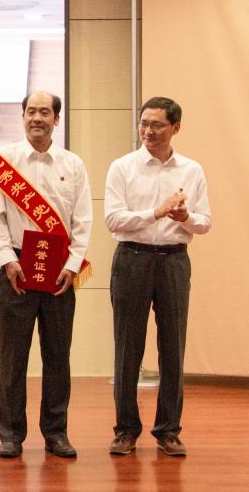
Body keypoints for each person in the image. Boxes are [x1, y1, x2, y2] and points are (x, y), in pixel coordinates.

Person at [0, 91, 92, 459]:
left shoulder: (73, 164)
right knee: (13, 356)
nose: (37, 118)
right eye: (31, 111)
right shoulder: (4, 162)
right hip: (16, 266)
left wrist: (72, 265)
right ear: (23, 116)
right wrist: (6, 261)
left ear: (56, 120)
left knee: (58, 355)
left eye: (45, 112)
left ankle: (56, 432)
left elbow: (83, 220)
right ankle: (11, 433)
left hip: (59, 270)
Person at [104, 97, 211, 458]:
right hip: (132, 259)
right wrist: (156, 212)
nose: (147, 131)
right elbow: (113, 220)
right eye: (143, 123)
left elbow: (204, 222)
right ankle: (125, 430)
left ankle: (168, 430)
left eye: (156, 125)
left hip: (174, 261)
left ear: (175, 128)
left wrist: (184, 217)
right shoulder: (123, 167)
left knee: (172, 347)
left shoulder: (191, 170)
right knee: (127, 348)